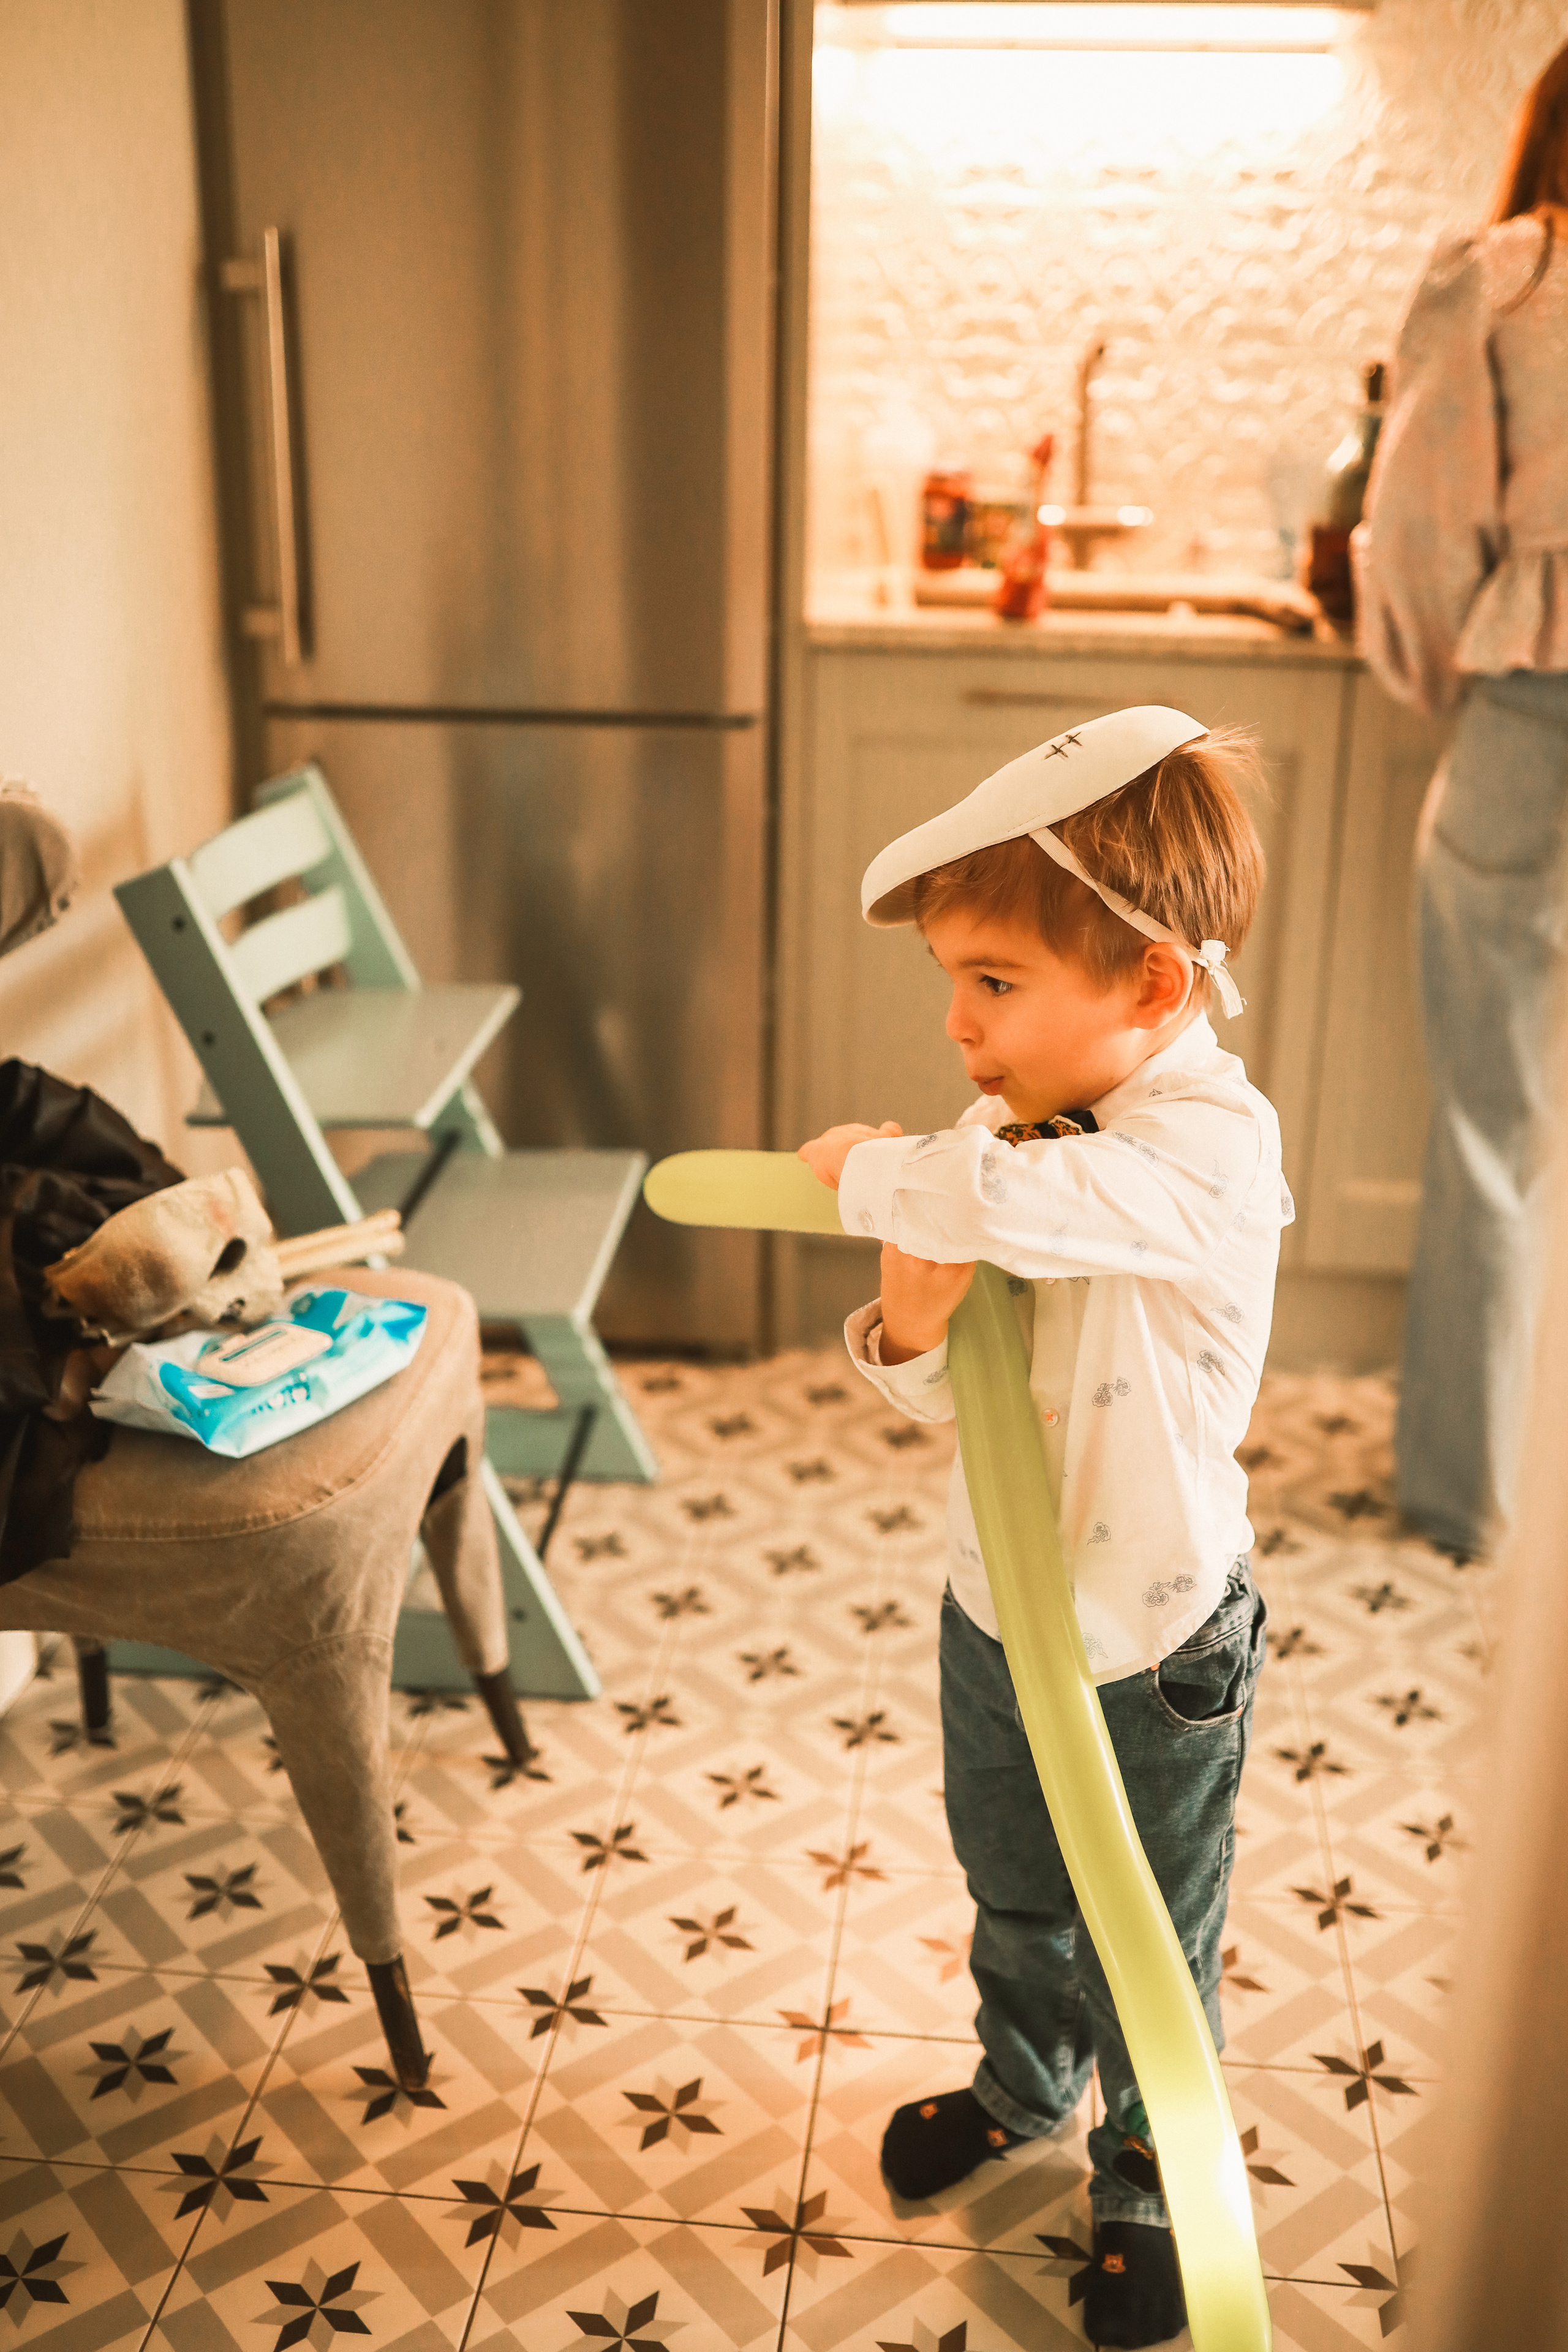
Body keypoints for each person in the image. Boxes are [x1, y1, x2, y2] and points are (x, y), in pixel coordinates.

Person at [798, 706, 1288, 2351]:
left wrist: (868, 1174)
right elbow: (953, 1393)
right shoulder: (996, 1144)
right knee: (1013, 1886)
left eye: (993, 982)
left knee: (1147, 1923)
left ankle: (1145, 2169)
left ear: (1150, 984)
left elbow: (1018, 1205)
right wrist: (915, 1328)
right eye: (954, 982)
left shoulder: (1208, 1149)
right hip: (993, 1610)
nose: (956, 1023)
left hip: (1157, 1641)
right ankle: (1022, 2085)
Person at [1354, 38, 1568, 1564]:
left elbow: (1417, 521)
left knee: (1495, 1125)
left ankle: (1464, 1499)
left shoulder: (1504, 276)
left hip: (1534, 717)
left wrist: (1434, 667)